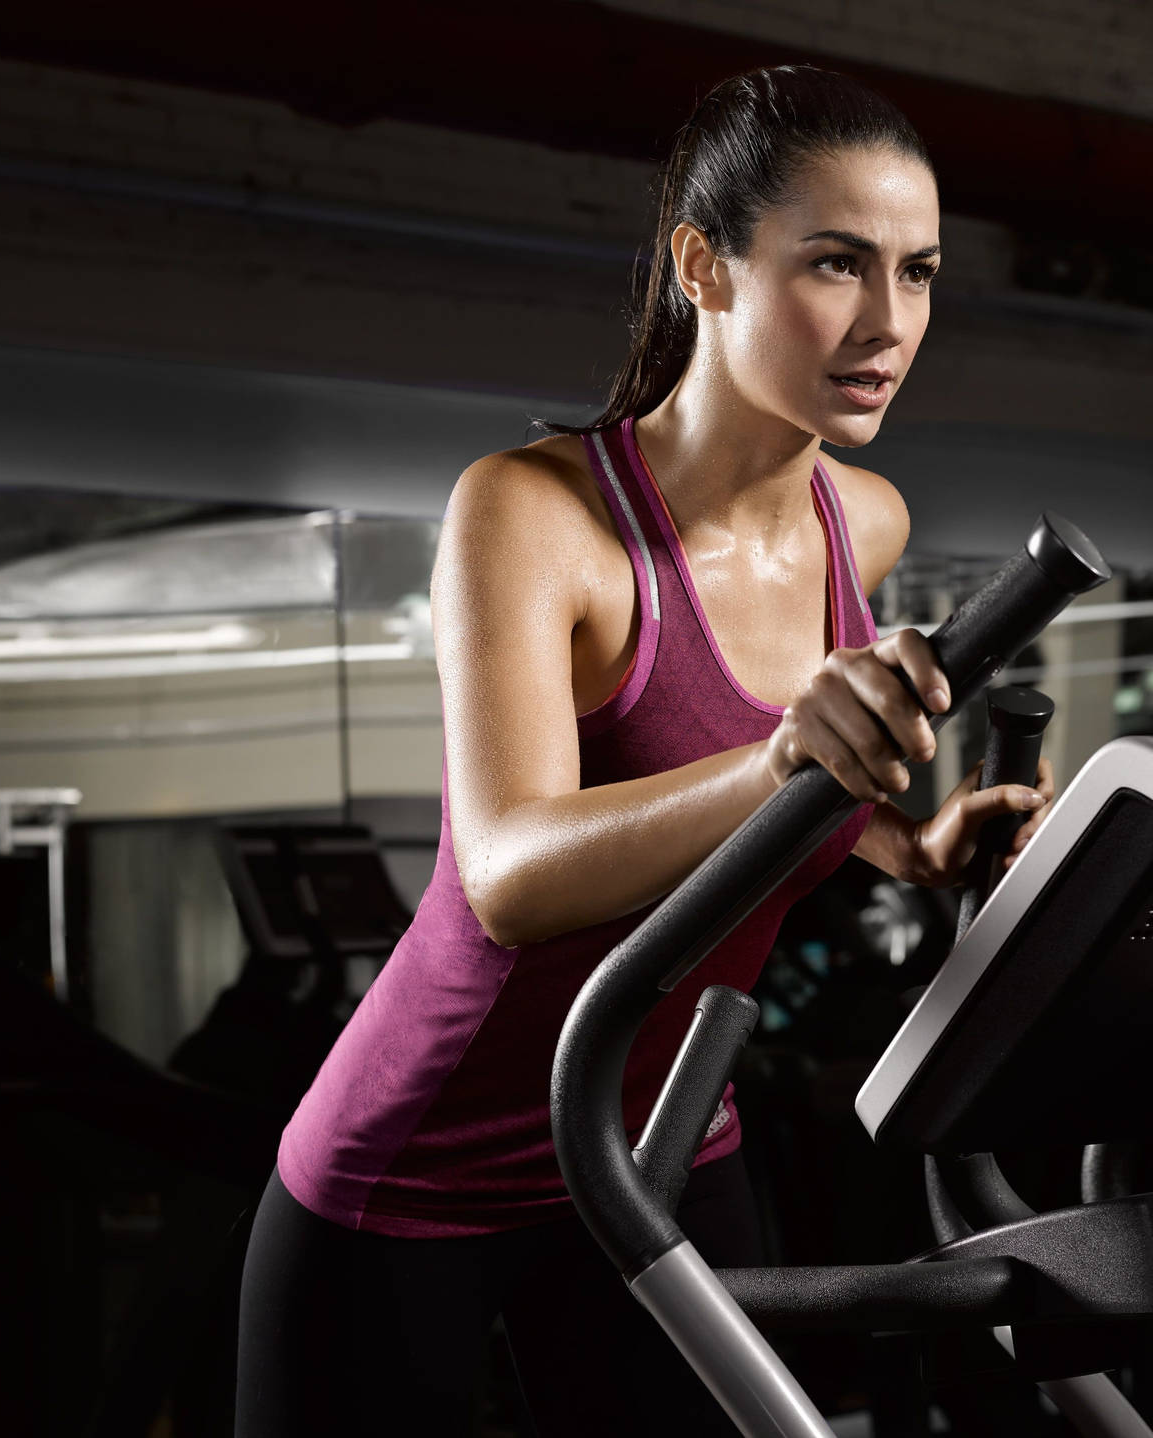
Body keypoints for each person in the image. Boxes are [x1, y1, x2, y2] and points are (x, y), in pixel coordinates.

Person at [235, 63, 1056, 1436]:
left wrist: (903, 843)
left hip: (662, 1147)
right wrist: (795, 761)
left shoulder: (868, 521)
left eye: (917, 273)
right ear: (704, 267)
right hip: (418, 1168)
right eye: (838, 264)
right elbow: (509, 871)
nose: (888, 322)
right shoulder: (535, 513)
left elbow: (769, 781)